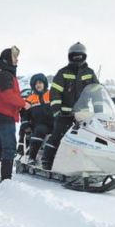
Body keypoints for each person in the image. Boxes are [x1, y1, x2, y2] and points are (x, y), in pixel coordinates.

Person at [41, 42, 99, 170]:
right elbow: (55, 93)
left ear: (84, 56)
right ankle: (47, 159)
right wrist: (57, 110)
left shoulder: (90, 73)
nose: (77, 59)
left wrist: (100, 111)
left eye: (80, 56)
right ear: (70, 56)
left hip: (84, 114)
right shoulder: (62, 73)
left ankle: (90, 162)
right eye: (75, 56)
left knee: (90, 138)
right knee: (58, 134)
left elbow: (97, 93)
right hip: (65, 113)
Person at [0, 46, 30, 188]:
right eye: (14, 57)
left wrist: (22, 101)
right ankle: (6, 181)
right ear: (7, 59)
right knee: (9, 148)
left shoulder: (5, 74)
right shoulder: (4, 75)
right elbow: (8, 96)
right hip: (4, 116)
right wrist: (23, 104)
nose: (17, 59)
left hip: (1, 116)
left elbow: (12, 95)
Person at [17, 73, 54, 165]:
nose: (38, 85)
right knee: (39, 132)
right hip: (39, 124)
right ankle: (32, 157)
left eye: (40, 83)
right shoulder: (30, 98)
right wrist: (25, 124)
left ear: (44, 83)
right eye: (36, 83)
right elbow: (24, 114)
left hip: (54, 122)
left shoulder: (52, 95)